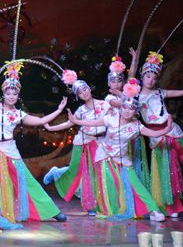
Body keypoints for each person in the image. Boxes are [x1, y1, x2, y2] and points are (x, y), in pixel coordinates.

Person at [67, 78, 171, 222]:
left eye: (131, 109)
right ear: (121, 108)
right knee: (110, 185)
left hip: (122, 159)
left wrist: (167, 129)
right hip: (104, 156)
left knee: (135, 184)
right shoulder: (111, 118)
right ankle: (113, 209)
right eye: (125, 108)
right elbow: (92, 122)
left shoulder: (136, 126)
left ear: (135, 111)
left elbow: (153, 134)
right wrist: (76, 121)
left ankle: (153, 210)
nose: (127, 111)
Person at [0, 62, 68, 223]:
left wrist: (59, 110)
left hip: (11, 150)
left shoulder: (18, 114)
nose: (11, 96)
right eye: (8, 93)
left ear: (18, 96)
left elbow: (40, 121)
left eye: (14, 94)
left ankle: (50, 211)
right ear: (3, 93)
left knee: (26, 182)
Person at [137, 52, 183, 216]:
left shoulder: (160, 92)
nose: (151, 80)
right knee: (166, 169)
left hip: (170, 129)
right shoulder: (136, 96)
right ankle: (170, 205)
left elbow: (182, 92)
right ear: (142, 76)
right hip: (155, 134)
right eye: (148, 76)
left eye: (154, 78)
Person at [44, 70, 111, 215]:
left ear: (89, 89)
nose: (84, 93)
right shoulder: (81, 110)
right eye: (80, 92)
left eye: (85, 89)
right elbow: (69, 123)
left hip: (99, 143)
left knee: (95, 173)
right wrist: (50, 128)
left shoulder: (105, 105)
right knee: (75, 170)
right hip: (82, 142)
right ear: (78, 96)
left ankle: (93, 205)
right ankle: (57, 172)